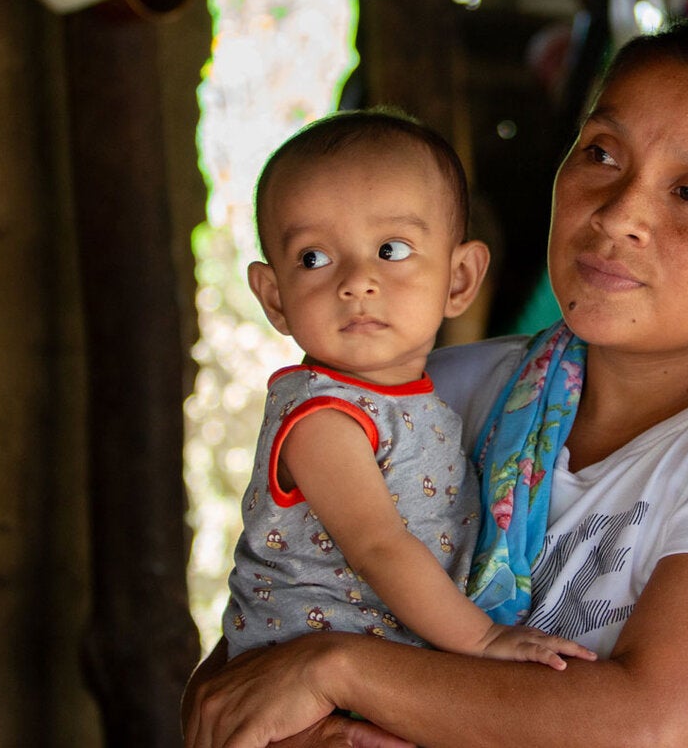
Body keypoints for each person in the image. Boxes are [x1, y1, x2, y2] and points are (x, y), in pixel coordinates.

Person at [185, 16, 688, 747]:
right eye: (601, 153)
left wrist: (338, 672)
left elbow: (651, 728)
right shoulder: (437, 394)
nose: (618, 214)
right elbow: (234, 684)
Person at [223, 109, 596, 670]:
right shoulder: (323, 419)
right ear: (275, 297)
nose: (357, 282)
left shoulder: (429, 396)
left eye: (391, 250)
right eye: (314, 258)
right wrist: (483, 640)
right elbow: (380, 548)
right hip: (308, 683)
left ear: (460, 279)